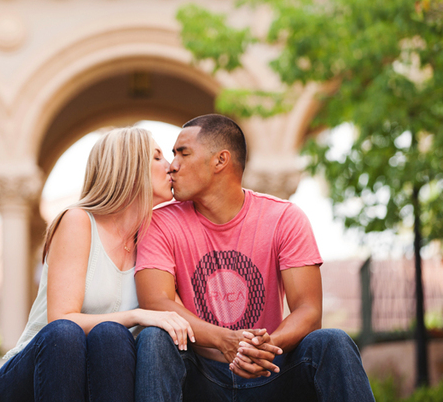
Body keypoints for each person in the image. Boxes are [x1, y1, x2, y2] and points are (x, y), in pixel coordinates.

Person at [134, 114, 375, 402]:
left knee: (332, 342)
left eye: (182, 153)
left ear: (220, 161)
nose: (172, 166)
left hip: (269, 369)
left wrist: (264, 346)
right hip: (202, 376)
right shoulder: (160, 223)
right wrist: (224, 341)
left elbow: (308, 311)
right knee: (154, 338)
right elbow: (155, 303)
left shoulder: (284, 218)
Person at [0, 127, 194, 402]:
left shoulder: (153, 240)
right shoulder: (78, 221)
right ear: (128, 167)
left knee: (111, 335)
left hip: (103, 377)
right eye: (158, 158)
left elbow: (177, 316)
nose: (171, 167)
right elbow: (62, 319)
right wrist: (136, 315)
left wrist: (238, 344)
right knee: (67, 333)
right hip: (37, 373)